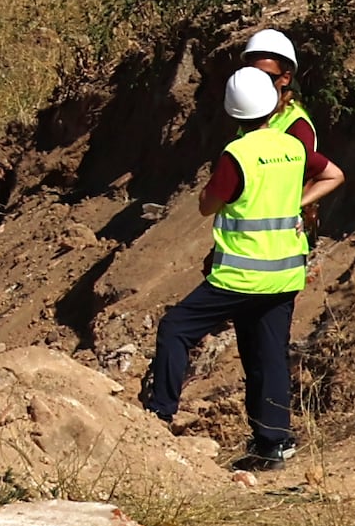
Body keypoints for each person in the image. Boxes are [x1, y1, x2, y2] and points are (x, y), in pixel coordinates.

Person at [145, 54, 340, 472]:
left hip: (240, 273)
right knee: (267, 354)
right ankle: (274, 442)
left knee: (176, 328)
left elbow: (207, 205)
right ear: (271, 103)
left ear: (232, 109)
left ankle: (158, 414)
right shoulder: (292, 146)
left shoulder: (238, 153)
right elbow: (334, 174)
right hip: (285, 273)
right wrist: (295, 203)